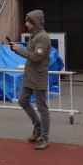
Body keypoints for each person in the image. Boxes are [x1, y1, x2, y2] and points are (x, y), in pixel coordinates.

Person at [10, 10, 51, 150]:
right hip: (29, 76)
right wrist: (18, 49)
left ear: (35, 23)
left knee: (42, 108)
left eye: (28, 21)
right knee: (22, 100)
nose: (26, 24)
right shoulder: (35, 36)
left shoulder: (43, 38)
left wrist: (20, 50)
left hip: (38, 76)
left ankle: (44, 137)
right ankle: (37, 127)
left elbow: (37, 58)